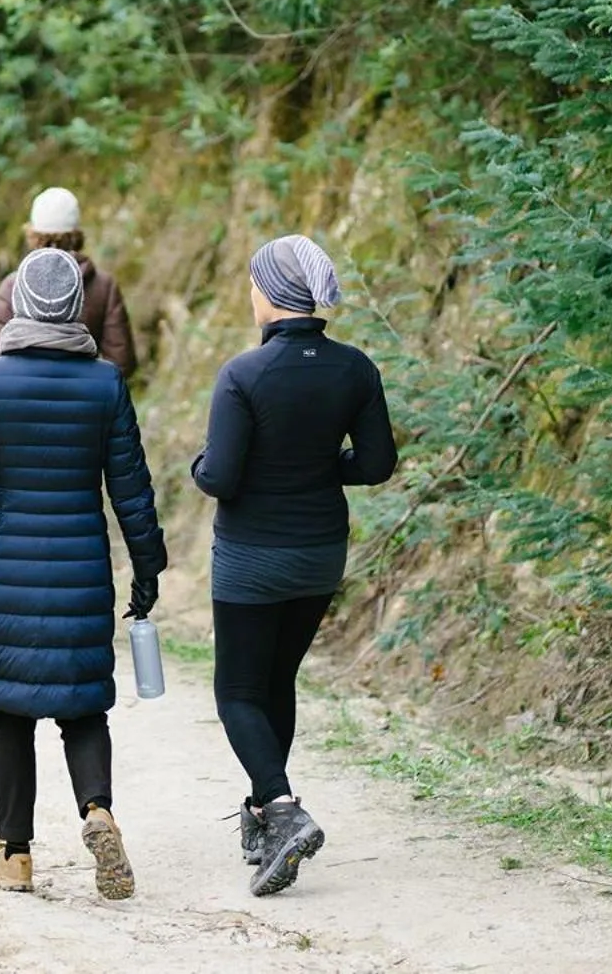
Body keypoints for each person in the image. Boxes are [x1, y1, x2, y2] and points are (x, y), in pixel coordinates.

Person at [0, 248, 167, 900]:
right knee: (82, 706)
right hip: (82, 567)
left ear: (24, 303)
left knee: (10, 711)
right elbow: (132, 490)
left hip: (5, 572)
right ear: (74, 307)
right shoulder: (105, 382)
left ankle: (17, 854)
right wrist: (148, 568)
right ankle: (97, 810)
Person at [190, 234, 397, 897]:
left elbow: (220, 475)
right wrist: (315, 466)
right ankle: (263, 815)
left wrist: (200, 466)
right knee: (277, 679)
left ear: (273, 294)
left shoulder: (244, 375)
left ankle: (281, 808)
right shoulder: (355, 369)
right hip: (319, 554)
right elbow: (375, 464)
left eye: (254, 283)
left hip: (252, 554)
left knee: (237, 692)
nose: (250, 293)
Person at [0, 186, 137, 377]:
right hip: (83, 402)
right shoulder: (104, 285)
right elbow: (122, 363)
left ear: (33, 234)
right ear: (76, 234)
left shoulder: (13, 285)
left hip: (24, 400)